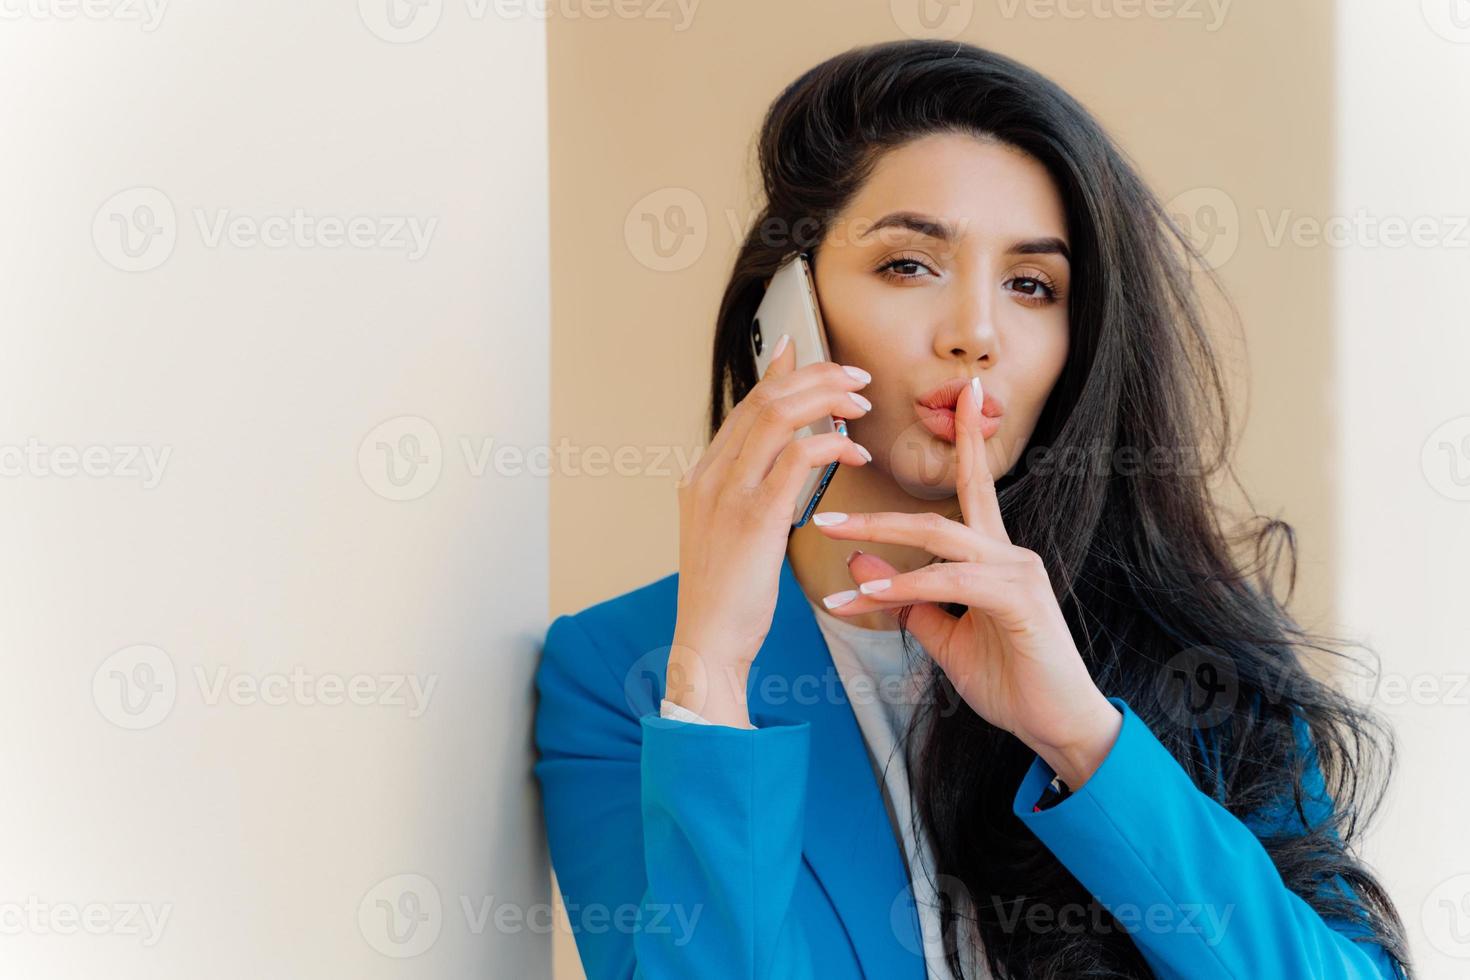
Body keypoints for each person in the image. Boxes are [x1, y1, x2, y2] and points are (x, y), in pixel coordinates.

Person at [534, 38, 1411, 979]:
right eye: (910, 265)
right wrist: (712, 672)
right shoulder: (618, 676)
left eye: (1032, 285)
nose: (977, 335)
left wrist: (1081, 735)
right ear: (787, 309)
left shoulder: (1193, 658)